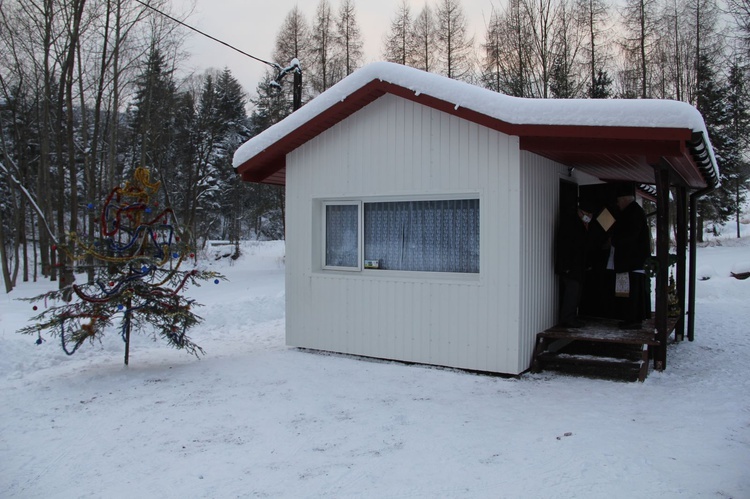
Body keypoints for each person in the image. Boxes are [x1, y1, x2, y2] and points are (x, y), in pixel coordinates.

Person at [610, 183, 651, 329]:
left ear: (624, 199)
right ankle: (630, 318)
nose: (618, 204)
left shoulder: (633, 213)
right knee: (630, 291)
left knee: (633, 292)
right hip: (632, 261)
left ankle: (633, 320)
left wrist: (614, 240)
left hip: (632, 261)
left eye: (619, 201)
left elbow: (629, 236)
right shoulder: (634, 212)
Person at [555, 200, 595, 328]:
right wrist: (565, 266)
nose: (589, 216)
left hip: (577, 265)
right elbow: (565, 245)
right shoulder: (571, 223)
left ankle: (571, 317)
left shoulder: (581, 224)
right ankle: (567, 318)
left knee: (576, 291)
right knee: (571, 292)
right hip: (571, 266)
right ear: (580, 212)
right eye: (587, 213)